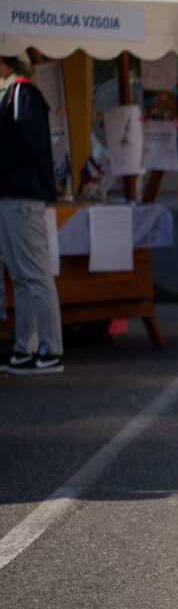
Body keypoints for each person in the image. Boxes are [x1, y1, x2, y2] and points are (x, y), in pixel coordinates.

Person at [0, 53, 62, 374]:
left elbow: (29, 144)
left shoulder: (23, 94)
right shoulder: (11, 93)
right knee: (20, 276)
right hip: (11, 195)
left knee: (35, 274)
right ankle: (25, 346)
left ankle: (51, 349)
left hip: (23, 196)